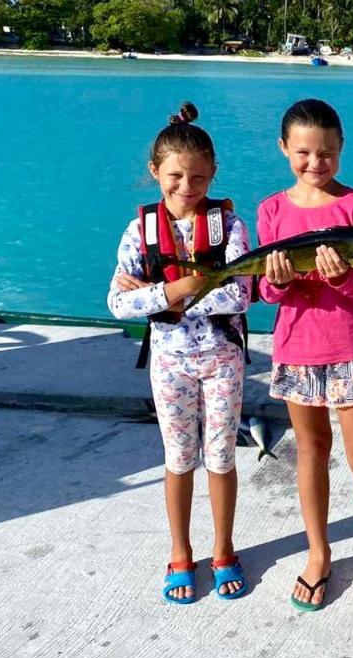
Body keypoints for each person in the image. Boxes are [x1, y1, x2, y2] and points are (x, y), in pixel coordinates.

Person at [258, 98, 353, 610]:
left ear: (341, 149)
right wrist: (278, 283)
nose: (315, 163)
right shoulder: (271, 211)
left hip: (350, 348)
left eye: (326, 153)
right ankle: (318, 553)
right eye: (303, 152)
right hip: (296, 349)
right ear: (284, 149)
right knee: (311, 453)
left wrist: (345, 277)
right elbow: (267, 294)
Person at [107, 102, 253, 604]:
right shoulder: (136, 233)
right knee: (178, 459)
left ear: (213, 172)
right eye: (174, 176)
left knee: (220, 457)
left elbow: (240, 294)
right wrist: (174, 292)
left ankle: (224, 549)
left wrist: (164, 289)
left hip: (222, 360)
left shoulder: (231, 227)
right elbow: (118, 302)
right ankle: (179, 551)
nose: (186, 187)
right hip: (169, 363)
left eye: (197, 176)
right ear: (155, 173)